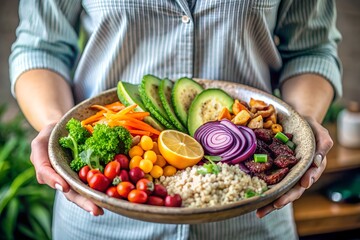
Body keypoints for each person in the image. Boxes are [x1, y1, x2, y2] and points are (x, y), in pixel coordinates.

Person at [9, 0, 341, 239]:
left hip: (251, 218)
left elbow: (311, 49)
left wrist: (304, 120)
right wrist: (56, 125)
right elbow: (41, 47)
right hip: (101, 217)